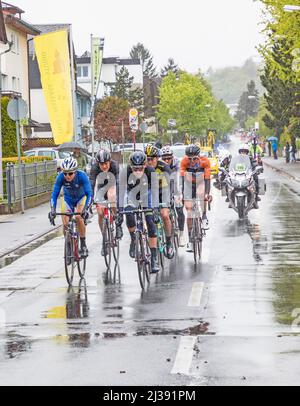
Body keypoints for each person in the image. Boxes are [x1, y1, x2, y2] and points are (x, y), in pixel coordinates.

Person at [120, 151, 160, 274]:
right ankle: (133, 239)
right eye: (135, 168)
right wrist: (119, 211)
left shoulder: (150, 171)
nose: (137, 171)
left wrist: (156, 210)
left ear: (145, 166)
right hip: (131, 194)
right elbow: (120, 193)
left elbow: (154, 192)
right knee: (128, 213)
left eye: (140, 168)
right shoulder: (125, 172)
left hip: (146, 193)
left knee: (150, 222)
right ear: (130, 167)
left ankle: (154, 258)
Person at [49, 157, 93, 259]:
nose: (67, 176)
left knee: (78, 217)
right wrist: (52, 210)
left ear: (75, 172)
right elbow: (54, 195)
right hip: (68, 199)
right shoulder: (60, 177)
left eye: (70, 173)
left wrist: (86, 209)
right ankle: (68, 244)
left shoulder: (82, 176)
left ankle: (83, 244)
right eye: (65, 173)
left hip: (80, 199)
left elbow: (89, 194)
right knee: (65, 221)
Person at [89, 149, 123, 256]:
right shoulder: (94, 168)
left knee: (112, 196)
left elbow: (118, 183)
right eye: (102, 164)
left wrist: (119, 203)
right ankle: (104, 238)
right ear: (98, 163)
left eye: (106, 164)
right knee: (100, 212)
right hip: (101, 187)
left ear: (110, 161)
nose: (104, 166)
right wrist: (89, 201)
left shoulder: (114, 165)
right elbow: (91, 184)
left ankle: (117, 223)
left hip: (113, 185)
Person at [180, 145, 212, 253]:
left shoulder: (205, 161)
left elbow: (207, 179)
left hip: (201, 182)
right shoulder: (184, 162)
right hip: (189, 184)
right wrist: (181, 194)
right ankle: (190, 239)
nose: (192, 161)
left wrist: (207, 194)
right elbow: (182, 180)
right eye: (190, 158)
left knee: (202, 193)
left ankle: (204, 216)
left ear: (199, 156)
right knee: (189, 211)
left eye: (194, 158)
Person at [145, 144, 174, 259]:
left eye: (151, 159)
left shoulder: (164, 167)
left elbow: (171, 184)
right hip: (151, 193)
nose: (149, 161)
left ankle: (168, 242)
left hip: (164, 191)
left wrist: (171, 197)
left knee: (165, 215)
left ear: (157, 158)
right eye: (147, 159)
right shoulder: (144, 168)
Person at [161, 145, 186, 247]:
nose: (167, 160)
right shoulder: (159, 164)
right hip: (164, 186)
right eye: (164, 158)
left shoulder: (177, 163)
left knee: (179, 209)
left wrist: (180, 193)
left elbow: (179, 178)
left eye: (169, 158)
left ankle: (181, 234)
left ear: (172, 157)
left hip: (176, 185)